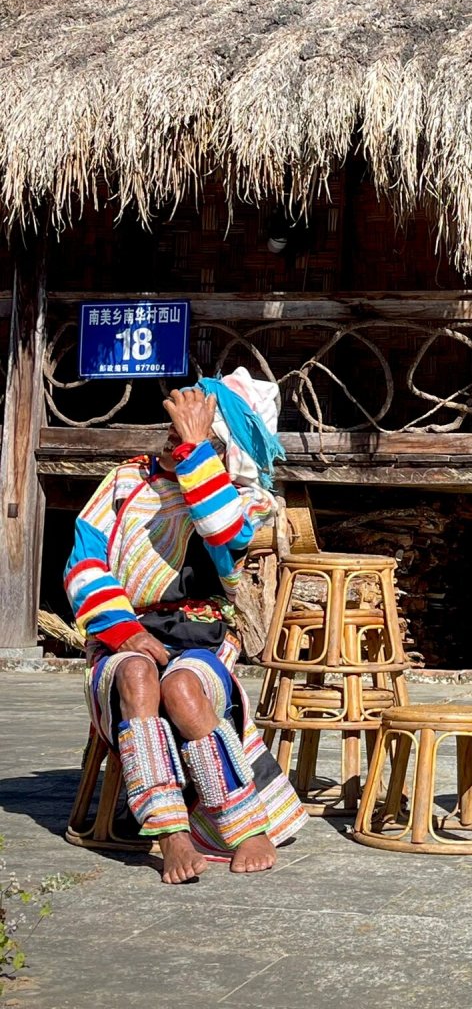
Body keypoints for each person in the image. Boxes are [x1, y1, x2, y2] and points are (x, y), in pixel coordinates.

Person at [65, 368, 308, 885]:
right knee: (136, 676)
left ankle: (242, 827)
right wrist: (124, 630)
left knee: (181, 687)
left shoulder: (249, 500)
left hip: (203, 637)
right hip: (122, 633)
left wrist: (197, 448)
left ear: (226, 447)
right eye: (175, 429)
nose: (176, 437)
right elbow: (83, 562)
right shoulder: (126, 480)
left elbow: (220, 529)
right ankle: (170, 833)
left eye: (194, 430)